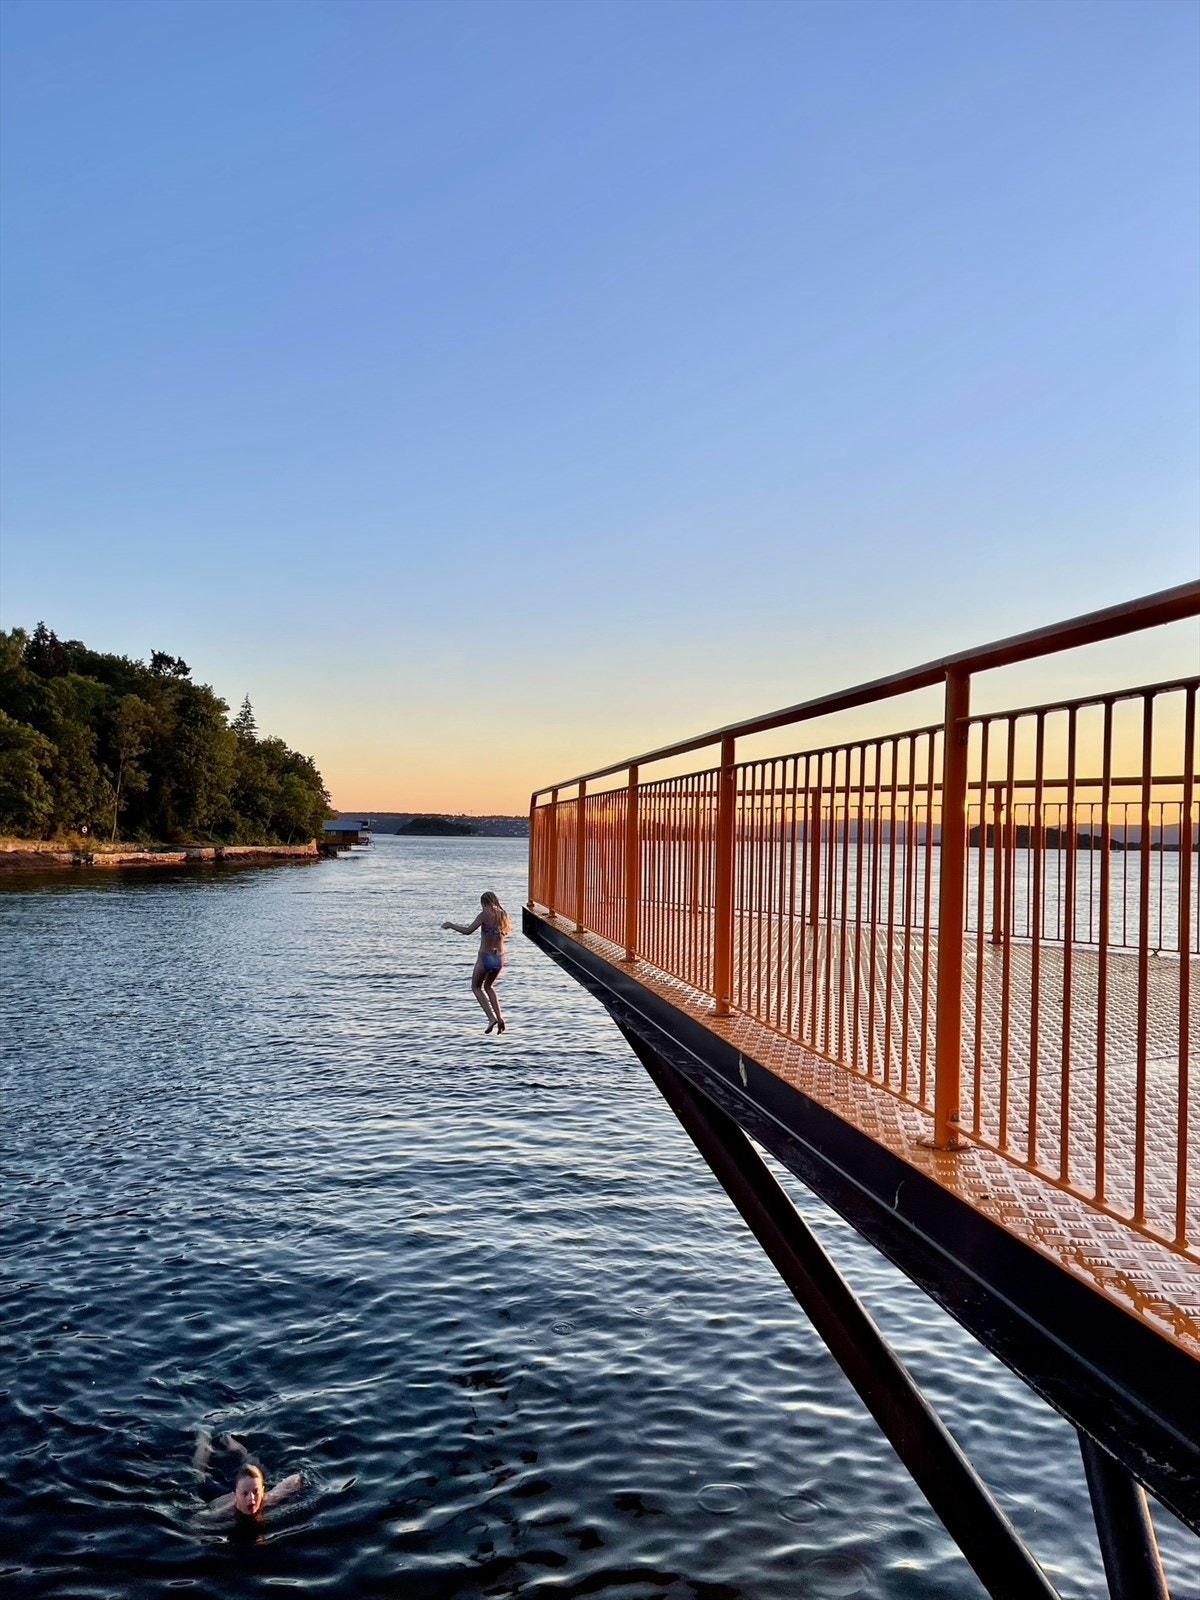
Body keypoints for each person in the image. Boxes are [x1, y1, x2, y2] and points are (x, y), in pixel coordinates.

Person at [192, 1428, 303, 1529]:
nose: (251, 1499)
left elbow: (295, 1479)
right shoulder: (225, 1512)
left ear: (263, 1491)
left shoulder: (267, 1499)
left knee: (250, 1465)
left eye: (255, 1492)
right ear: (236, 1495)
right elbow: (196, 1520)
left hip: (248, 1487)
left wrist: (283, 1498)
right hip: (216, 1494)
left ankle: (230, 1441)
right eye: (245, 1494)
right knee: (199, 1475)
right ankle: (203, 1442)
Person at [442, 890, 512, 1033]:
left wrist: (451, 925)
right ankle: (500, 1018)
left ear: (485, 903)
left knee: (476, 987)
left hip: (485, 957)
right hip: (499, 959)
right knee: (489, 987)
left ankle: (491, 1018)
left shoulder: (483, 915)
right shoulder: (503, 916)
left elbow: (468, 931)